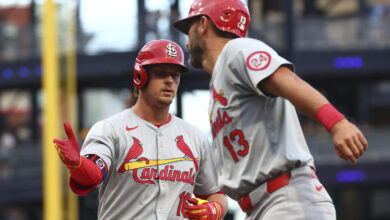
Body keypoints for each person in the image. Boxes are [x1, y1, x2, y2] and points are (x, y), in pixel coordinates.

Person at [173, 0, 368, 219]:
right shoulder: (220, 79)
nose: (187, 41)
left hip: (287, 200)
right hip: (263, 206)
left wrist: (337, 122)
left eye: (188, 29)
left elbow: (288, 81)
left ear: (203, 24)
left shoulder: (237, 50)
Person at [53, 39, 227, 220]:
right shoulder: (111, 129)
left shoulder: (195, 138)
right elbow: (92, 176)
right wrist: (77, 165)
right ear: (140, 76)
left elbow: (215, 194)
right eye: (161, 73)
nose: (169, 80)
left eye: (175, 74)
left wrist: (214, 210)